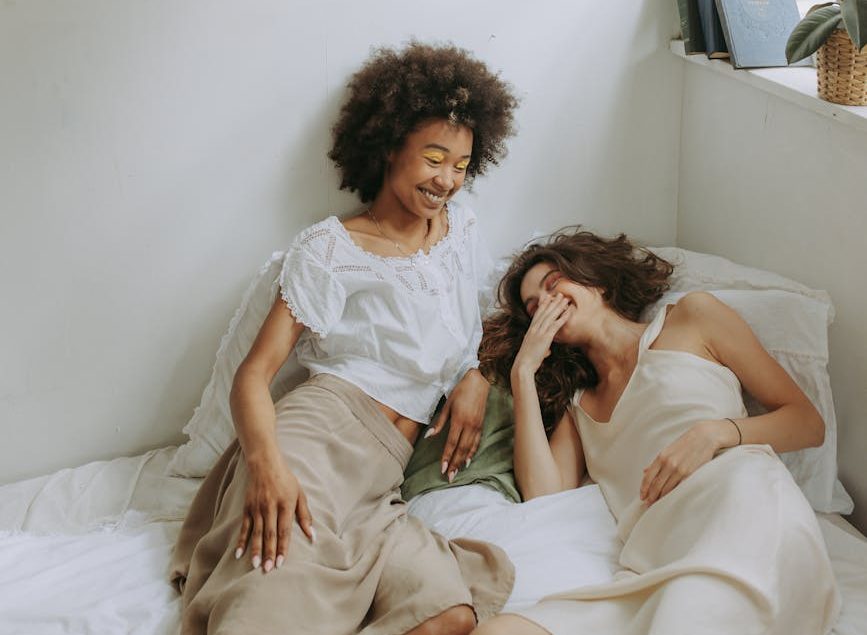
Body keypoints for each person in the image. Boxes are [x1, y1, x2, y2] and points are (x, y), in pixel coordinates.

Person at [170, 42, 519, 635]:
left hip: (382, 481)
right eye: (434, 158)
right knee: (266, 610)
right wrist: (267, 465)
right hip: (315, 445)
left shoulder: (461, 230)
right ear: (388, 147)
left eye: (461, 165)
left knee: (449, 613)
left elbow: (479, 317)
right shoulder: (331, 249)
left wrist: (474, 374)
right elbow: (254, 374)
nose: (447, 181)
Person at [472, 228, 840, 635]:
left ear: (592, 278)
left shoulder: (692, 317)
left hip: (741, 504)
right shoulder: (579, 407)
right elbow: (544, 497)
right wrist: (524, 371)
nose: (546, 304)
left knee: (691, 613)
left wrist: (716, 433)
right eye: (533, 306)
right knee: (499, 630)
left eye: (554, 284)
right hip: (656, 558)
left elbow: (808, 423)